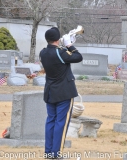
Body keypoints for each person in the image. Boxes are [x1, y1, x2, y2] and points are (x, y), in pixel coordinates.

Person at [39, 27, 83, 159]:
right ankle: (56, 153)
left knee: (50, 121)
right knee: (61, 123)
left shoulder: (43, 52)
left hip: (50, 92)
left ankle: (48, 152)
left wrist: (65, 46)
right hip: (64, 92)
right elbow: (78, 57)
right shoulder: (61, 52)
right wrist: (69, 44)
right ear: (58, 40)